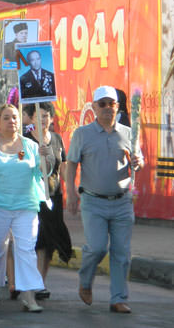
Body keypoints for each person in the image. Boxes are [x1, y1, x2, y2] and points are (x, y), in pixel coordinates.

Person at [65, 85, 143, 314]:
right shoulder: (82, 134)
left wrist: (138, 161)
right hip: (93, 201)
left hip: (122, 201)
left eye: (112, 104)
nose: (108, 108)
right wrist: (71, 193)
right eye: (103, 104)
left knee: (121, 253)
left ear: (117, 107)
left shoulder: (129, 133)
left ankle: (118, 298)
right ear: (94, 107)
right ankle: (85, 281)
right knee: (97, 248)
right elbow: (71, 164)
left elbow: (138, 161)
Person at [0, 104, 53, 313]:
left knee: (26, 250)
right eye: (7, 118)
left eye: (16, 117)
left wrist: (46, 156)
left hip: (26, 206)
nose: (12, 121)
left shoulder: (30, 146)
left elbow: (44, 171)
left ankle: (28, 295)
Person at [23, 102, 72, 299]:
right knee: (39, 241)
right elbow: (19, 163)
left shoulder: (58, 139)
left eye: (46, 116)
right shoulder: (25, 141)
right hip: (32, 197)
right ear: (31, 119)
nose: (42, 119)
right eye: (38, 115)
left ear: (51, 118)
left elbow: (64, 167)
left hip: (54, 196)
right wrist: (36, 158)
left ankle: (41, 282)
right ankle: (34, 283)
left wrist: (71, 190)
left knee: (50, 241)